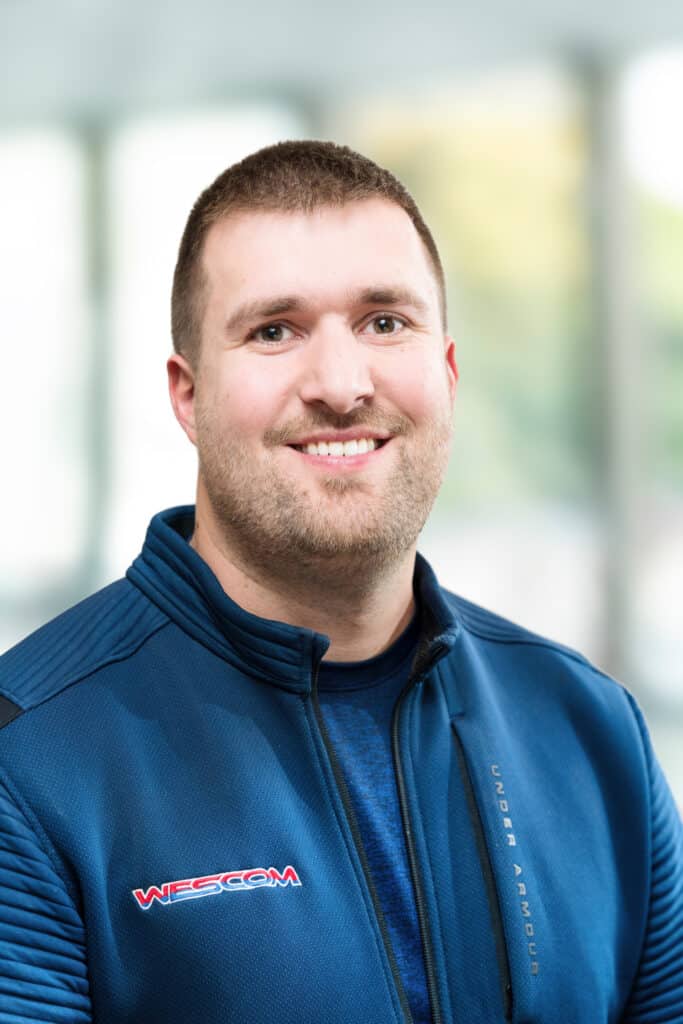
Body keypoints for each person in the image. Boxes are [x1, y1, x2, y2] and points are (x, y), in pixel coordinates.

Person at [0, 140, 681, 1024]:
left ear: (446, 370)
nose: (340, 384)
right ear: (188, 396)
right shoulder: (31, 762)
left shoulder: (588, 729)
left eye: (384, 321)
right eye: (274, 330)